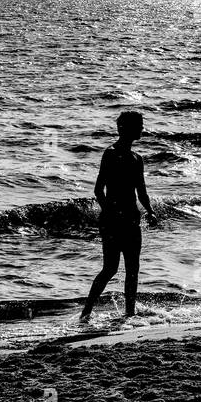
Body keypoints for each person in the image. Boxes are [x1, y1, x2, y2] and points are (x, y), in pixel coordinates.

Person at [81, 110, 156, 321]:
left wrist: (150, 211)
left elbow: (141, 192)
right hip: (113, 222)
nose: (142, 128)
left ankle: (129, 314)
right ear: (127, 128)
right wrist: (110, 213)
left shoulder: (137, 158)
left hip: (133, 220)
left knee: (133, 269)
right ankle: (86, 312)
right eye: (139, 125)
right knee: (110, 268)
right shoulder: (111, 154)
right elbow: (98, 190)